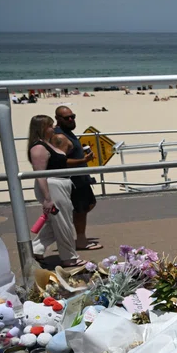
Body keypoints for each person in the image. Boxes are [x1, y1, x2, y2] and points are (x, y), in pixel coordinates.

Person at [26, 115, 83, 266]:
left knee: (55, 223)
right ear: (42, 128)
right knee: (63, 223)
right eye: (50, 125)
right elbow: (40, 174)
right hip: (53, 186)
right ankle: (69, 258)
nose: (54, 128)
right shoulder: (38, 147)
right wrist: (47, 198)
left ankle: (34, 249)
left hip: (60, 184)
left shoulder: (47, 144)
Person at [53, 106, 101, 251]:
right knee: (80, 209)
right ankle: (80, 240)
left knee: (87, 205)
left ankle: (76, 237)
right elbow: (61, 161)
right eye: (67, 118)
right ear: (58, 119)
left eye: (73, 116)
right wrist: (83, 160)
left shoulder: (68, 133)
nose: (71, 119)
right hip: (74, 181)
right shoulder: (60, 137)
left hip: (80, 178)